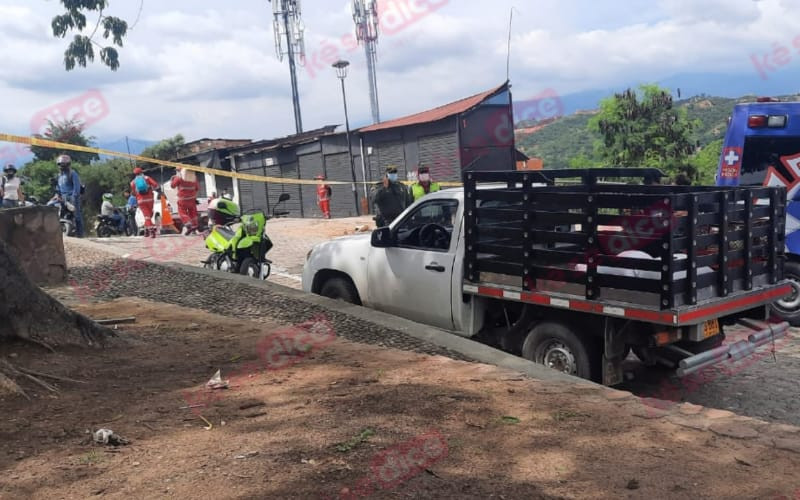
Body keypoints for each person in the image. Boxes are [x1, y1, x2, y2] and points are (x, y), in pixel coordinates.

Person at [56, 154, 84, 236]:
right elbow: (58, 188)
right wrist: (57, 195)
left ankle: (80, 235)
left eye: (64, 164)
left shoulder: (72, 174)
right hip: (62, 198)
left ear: (68, 164)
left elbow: (77, 188)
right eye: (60, 164)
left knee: (77, 216)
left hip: (72, 197)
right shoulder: (59, 176)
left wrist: (73, 198)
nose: (62, 166)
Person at [130, 166, 160, 238]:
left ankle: (148, 230)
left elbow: (134, 193)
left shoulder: (133, 182)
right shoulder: (147, 178)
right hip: (150, 199)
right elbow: (156, 185)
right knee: (149, 215)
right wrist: (152, 188)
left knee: (147, 216)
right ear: (141, 172)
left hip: (141, 201)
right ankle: (150, 229)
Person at [170, 167, 200, 235]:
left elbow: (172, 186)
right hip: (192, 199)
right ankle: (194, 226)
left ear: (179, 170)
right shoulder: (193, 177)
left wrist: (172, 179)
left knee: (182, 212)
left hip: (182, 199)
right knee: (192, 213)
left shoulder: (179, 177)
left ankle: (188, 224)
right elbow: (197, 188)